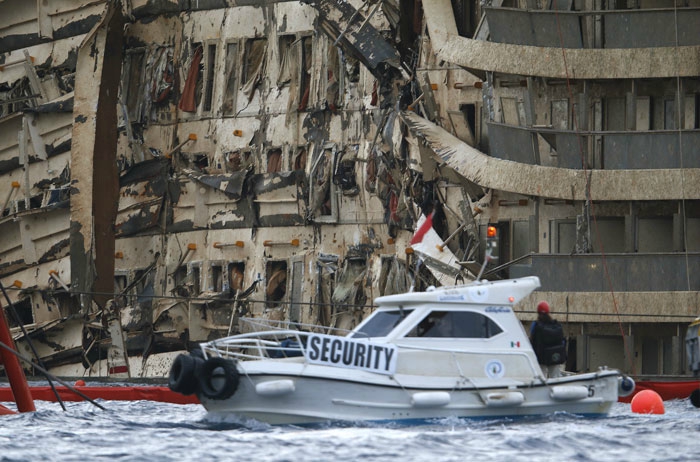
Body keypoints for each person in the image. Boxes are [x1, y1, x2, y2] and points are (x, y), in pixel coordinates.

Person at [530, 301, 567, 378]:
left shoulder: (536, 325)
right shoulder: (556, 325)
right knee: (555, 377)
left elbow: (532, 339)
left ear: (538, 312)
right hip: (554, 357)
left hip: (541, 357)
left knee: (541, 378)